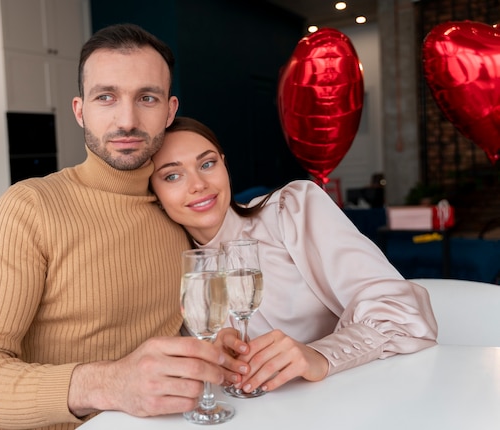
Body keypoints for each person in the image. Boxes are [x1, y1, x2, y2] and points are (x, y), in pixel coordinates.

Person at [0, 25, 235, 430]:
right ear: (80, 110)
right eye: (106, 97)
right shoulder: (29, 208)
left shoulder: (176, 207)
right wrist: (109, 383)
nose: (127, 120)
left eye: (146, 98)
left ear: (169, 111)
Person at [150, 116, 438, 394]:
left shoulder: (292, 211)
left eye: (207, 163)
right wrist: (216, 357)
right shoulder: (173, 271)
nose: (198, 184)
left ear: (224, 165)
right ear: (154, 195)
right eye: (172, 176)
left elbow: (403, 313)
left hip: (358, 396)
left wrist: (320, 355)